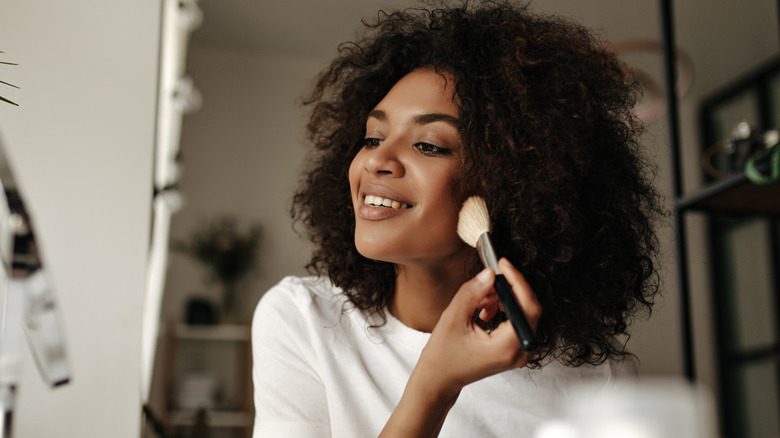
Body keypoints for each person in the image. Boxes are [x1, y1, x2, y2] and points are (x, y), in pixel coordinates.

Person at [252, 1, 665, 437]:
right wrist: (434, 384)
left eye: (429, 145)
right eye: (373, 137)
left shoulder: (595, 380)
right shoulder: (304, 320)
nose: (377, 160)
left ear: (515, 184)